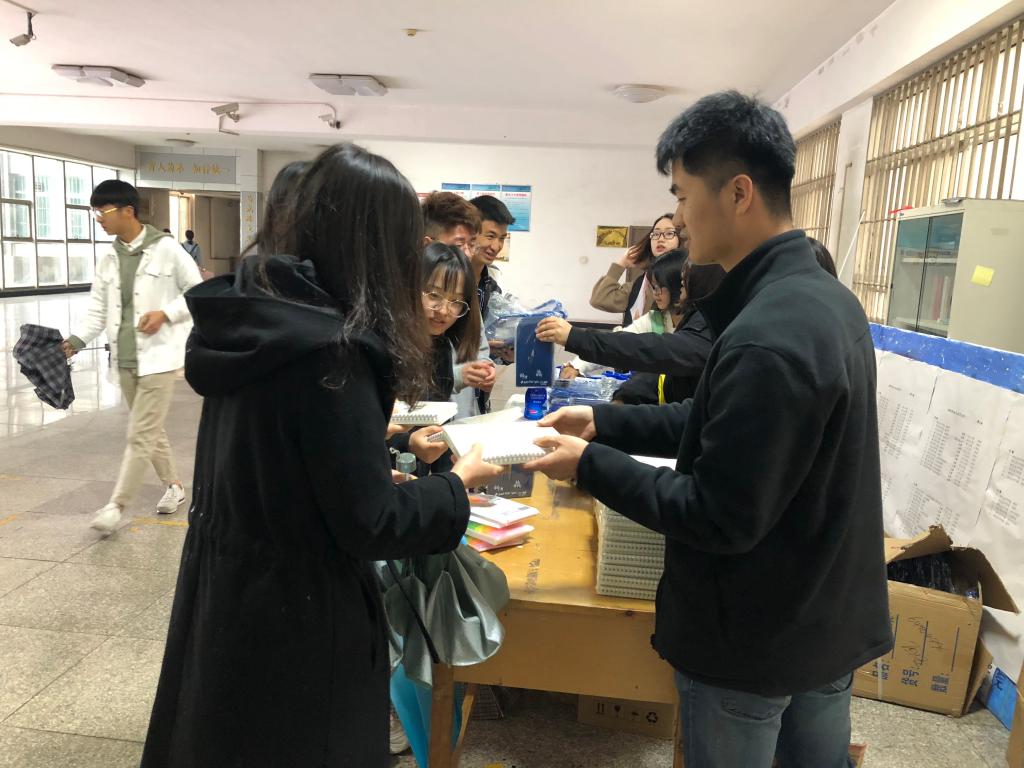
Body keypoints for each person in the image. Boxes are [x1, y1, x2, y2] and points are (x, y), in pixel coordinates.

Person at [525, 91, 891, 768]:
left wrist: (587, 464)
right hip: (825, 612)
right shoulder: (825, 299)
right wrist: (605, 421)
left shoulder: (766, 333)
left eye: (683, 195)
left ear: (739, 193)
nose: (679, 219)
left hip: (755, 633)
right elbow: (727, 427)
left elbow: (717, 515)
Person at [139, 143, 503, 768]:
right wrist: (455, 484)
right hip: (302, 613)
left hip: (231, 587)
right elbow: (372, 524)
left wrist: (365, 473)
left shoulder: (257, 321)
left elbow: (280, 469)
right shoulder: (334, 352)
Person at [62, 180, 203, 533]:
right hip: (125, 359)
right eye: (96, 213)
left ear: (128, 211)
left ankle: (116, 505)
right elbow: (98, 309)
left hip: (159, 358)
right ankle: (174, 485)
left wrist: (165, 314)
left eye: (103, 211)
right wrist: (76, 341)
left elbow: (197, 291)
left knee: (140, 433)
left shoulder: (166, 249)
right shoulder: (109, 258)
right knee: (150, 429)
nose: (99, 219)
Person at [421, 192, 495, 417]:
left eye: (471, 245)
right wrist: (458, 376)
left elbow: (479, 347)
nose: (467, 254)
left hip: (461, 421)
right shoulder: (405, 305)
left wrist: (484, 369)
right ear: (427, 245)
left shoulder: (464, 295)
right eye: (459, 244)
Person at [560, 249, 687, 379]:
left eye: (661, 286)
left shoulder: (696, 323)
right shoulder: (655, 319)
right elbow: (616, 343)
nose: (656, 293)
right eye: (654, 287)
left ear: (679, 285)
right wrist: (576, 366)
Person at [590, 214, 681, 326]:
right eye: (656, 234)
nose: (660, 239)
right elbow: (599, 299)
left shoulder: (686, 282)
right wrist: (622, 263)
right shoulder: (641, 284)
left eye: (669, 233)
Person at [469, 194, 515, 411]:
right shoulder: (448, 283)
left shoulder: (492, 287)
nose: (496, 246)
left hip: (479, 397)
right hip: (447, 396)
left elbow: (485, 343)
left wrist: (501, 353)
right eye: (490, 236)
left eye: (502, 238)